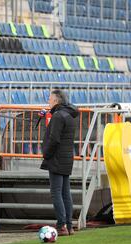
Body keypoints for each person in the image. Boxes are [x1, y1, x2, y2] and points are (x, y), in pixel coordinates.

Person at [41, 89, 79, 236]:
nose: (48, 102)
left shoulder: (58, 116)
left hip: (56, 158)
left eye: (49, 99)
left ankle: (61, 225)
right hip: (67, 157)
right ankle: (69, 226)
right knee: (65, 193)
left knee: (56, 193)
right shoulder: (69, 114)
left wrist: (46, 154)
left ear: (56, 101)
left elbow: (54, 139)